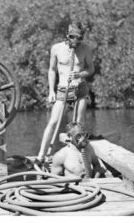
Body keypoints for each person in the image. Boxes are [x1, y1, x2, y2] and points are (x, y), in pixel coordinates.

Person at [36, 22, 95, 163]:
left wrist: (79, 74)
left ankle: (79, 158)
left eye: (80, 38)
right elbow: (52, 70)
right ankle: (40, 156)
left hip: (79, 89)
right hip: (63, 89)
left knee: (78, 124)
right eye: (74, 38)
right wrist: (51, 91)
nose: (77, 41)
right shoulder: (56, 48)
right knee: (53, 122)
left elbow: (91, 69)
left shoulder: (85, 49)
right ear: (68, 36)